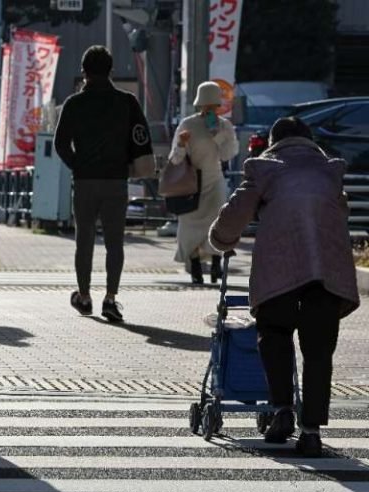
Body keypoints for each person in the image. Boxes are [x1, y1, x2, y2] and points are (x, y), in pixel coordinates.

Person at [209, 117, 360, 457]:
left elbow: (237, 211)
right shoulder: (328, 171)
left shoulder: (266, 169)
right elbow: (341, 213)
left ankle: (281, 411)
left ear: (274, 142)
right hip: (327, 272)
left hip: (281, 268)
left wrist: (221, 240)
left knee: (274, 333)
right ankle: (311, 432)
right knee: (319, 350)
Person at [53, 45, 155, 323]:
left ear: (84, 72)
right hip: (116, 180)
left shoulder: (74, 104)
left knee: (83, 241)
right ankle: (110, 298)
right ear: (111, 70)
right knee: (114, 242)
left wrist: (78, 164)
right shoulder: (127, 102)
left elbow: (59, 143)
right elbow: (140, 136)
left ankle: (84, 296)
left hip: (85, 180)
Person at [168, 81, 239, 284]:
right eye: (205, 105)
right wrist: (181, 144)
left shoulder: (225, 126)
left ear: (218, 106)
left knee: (216, 223)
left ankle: (216, 263)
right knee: (188, 226)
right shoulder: (187, 124)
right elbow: (175, 159)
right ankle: (195, 265)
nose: (209, 109)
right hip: (191, 184)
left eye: (213, 105)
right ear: (200, 105)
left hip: (214, 181)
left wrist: (217, 136)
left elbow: (228, 155)